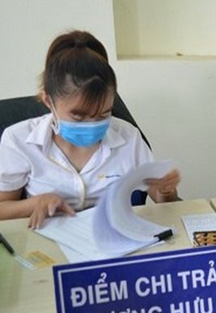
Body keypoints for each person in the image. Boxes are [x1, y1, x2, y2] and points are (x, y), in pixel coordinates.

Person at [0, 30, 180, 229]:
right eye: (78, 116)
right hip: (47, 244)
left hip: (115, 240)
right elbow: (2, 208)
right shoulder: (18, 139)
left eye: (103, 114)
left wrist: (165, 191)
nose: (91, 124)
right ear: (48, 101)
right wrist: (34, 204)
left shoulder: (128, 137)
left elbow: (160, 200)